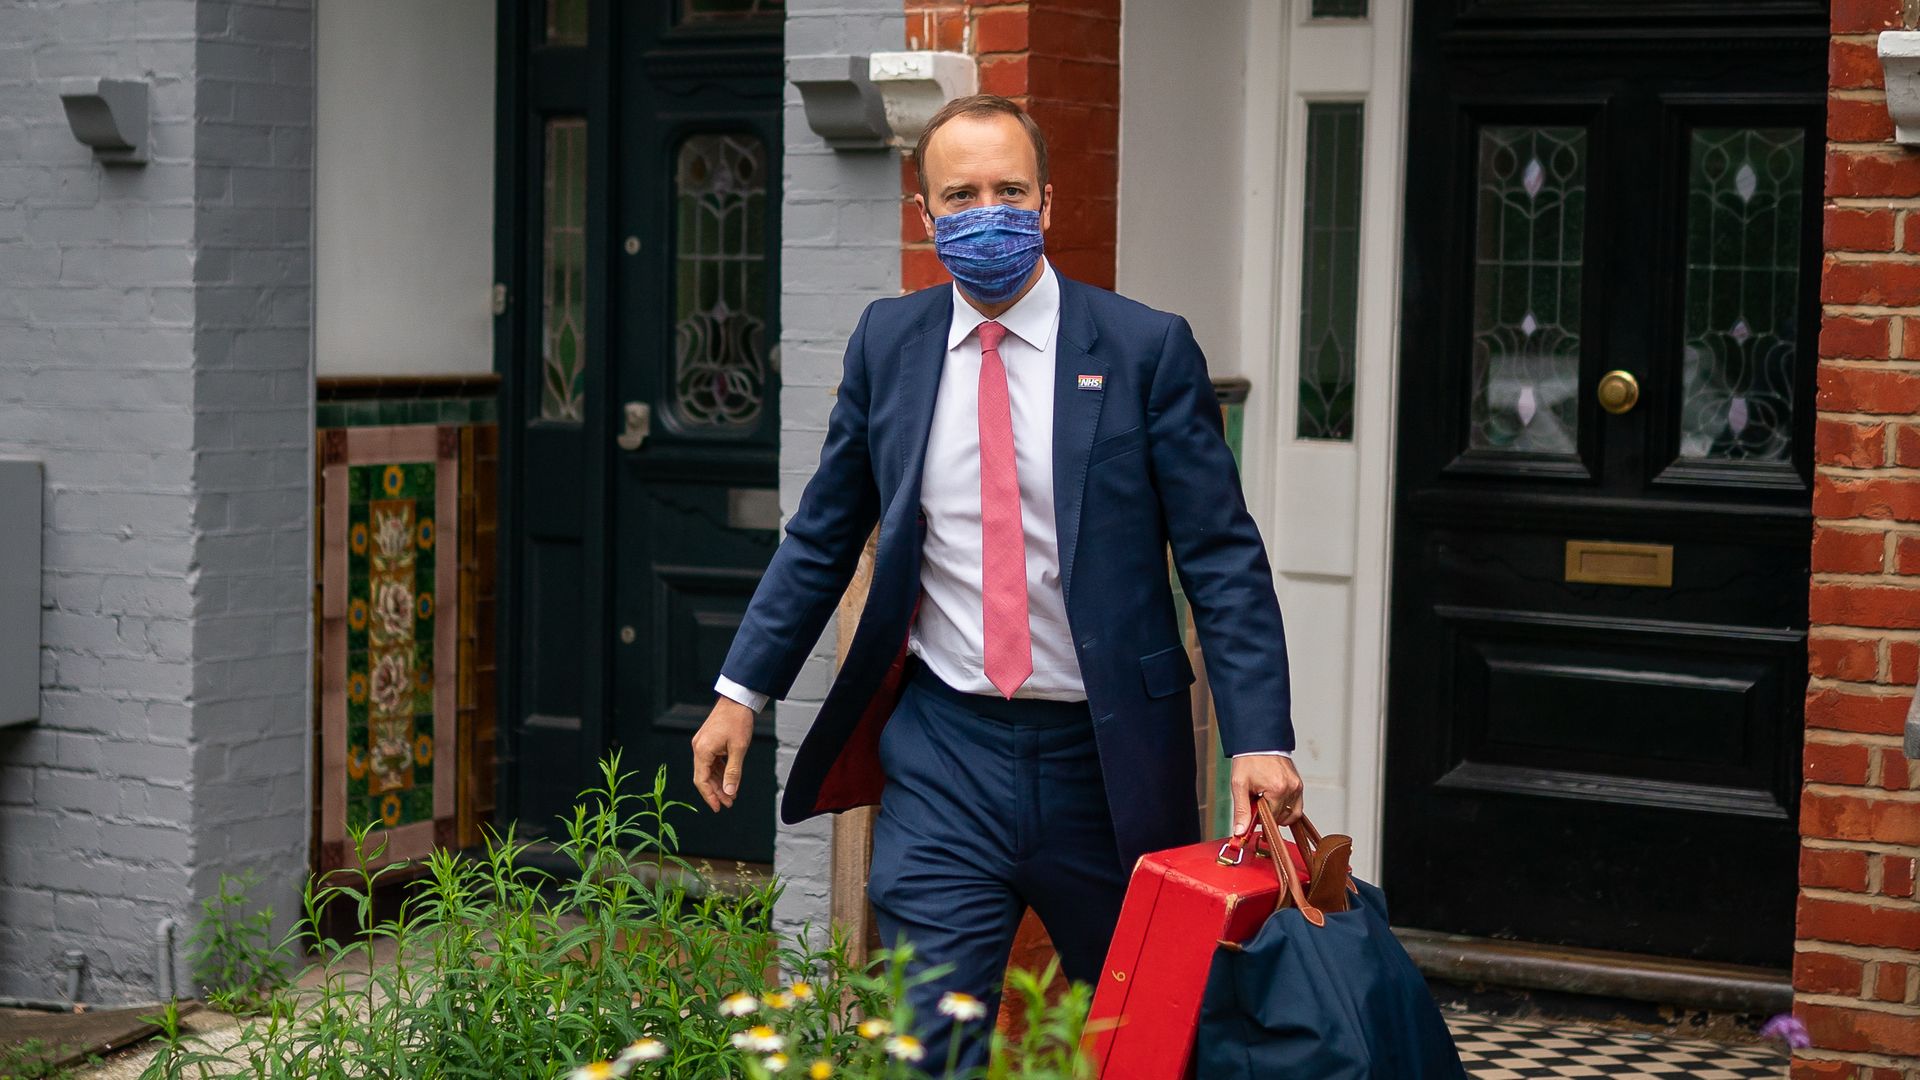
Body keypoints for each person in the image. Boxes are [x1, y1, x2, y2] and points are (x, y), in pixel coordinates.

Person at [689, 94, 1300, 1066]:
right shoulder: (889, 344)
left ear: (1049, 203)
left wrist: (1259, 738)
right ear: (925, 215)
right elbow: (821, 536)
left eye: (1010, 190)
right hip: (946, 757)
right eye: (962, 195)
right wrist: (738, 691)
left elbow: (1222, 553)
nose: (990, 213)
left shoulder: (1144, 351)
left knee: (1151, 1040)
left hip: (1108, 763)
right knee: (928, 1041)